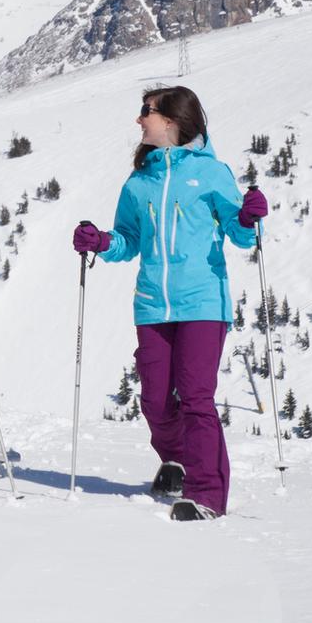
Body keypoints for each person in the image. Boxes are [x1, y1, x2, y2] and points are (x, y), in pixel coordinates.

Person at [71, 85, 268, 522]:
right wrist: (101, 241)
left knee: (197, 398)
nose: (140, 119)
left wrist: (249, 216)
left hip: (202, 303)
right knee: (156, 401)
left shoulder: (211, 173)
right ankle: (176, 460)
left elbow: (241, 233)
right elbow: (129, 241)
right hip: (152, 305)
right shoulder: (139, 182)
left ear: (174, 121)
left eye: (147, 111)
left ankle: (207, 494)